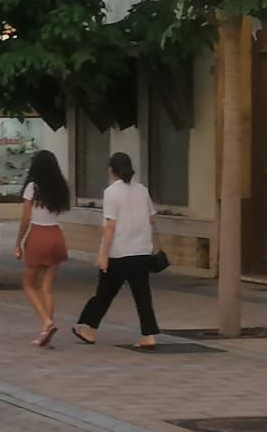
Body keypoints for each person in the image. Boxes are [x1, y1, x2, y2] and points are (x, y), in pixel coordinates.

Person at [73, 152, 161, 350]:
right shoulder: (142, 190)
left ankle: (89, 328)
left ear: (112, 170)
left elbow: (110, 226)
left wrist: (103, 254)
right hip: (141, 251)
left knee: (104, 294)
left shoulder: (111, 192)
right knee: (142, 296)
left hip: (119, 253)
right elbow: (152, 218)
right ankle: (149, 335)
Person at [14, 149, 71, 348]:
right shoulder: (60, 187)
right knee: (47, 286)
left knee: (28, 283)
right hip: (56, 235)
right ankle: (47, 329)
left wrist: (19, 242)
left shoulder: (33, 187)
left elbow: (26, 218)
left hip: (38, 235)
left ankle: (46, 322)